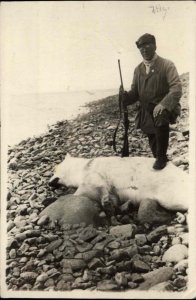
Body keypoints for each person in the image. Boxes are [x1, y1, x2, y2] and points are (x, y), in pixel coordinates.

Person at [121, 33, 182, 170]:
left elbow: (176, 88)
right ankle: (161, 160)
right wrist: (125, 98)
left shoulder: (167, 64)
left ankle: (161, 158)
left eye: (147, 46)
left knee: (159, 117)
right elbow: (135, 93)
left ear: (155, 46)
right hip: (147, 112)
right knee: (154, 142)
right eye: (141, 48)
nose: (144, 50)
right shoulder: (138, 70)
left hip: (165, 109)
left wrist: (163, 104)